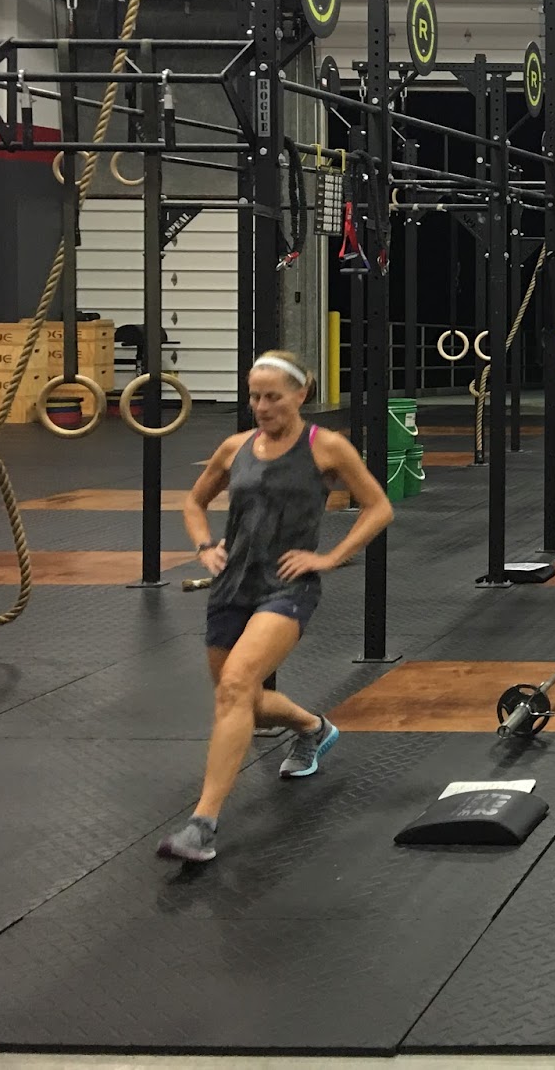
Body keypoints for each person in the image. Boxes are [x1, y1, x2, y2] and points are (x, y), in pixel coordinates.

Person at [158, 350, 393, 864]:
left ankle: (202, 826)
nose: (261, 407)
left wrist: (330, 557)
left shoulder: (326, 446)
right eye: (254, 397)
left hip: (288, 587)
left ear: (300, 394)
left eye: (272, 397)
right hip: (232, 585)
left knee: (236, 688)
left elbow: (379, 506)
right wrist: (204, 546)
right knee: (243, 699)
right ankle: (313, 727)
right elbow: (194, 502)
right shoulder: (234, 447)